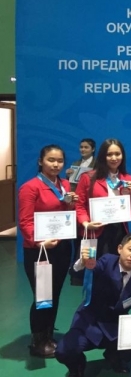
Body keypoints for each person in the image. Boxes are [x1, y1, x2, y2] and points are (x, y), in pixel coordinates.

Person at [55, 234, 131, 377]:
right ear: (120, 249)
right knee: (63, 351)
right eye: (130, 249)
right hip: (89, 322)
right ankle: (78, 366)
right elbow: (84, 271)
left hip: (117, 326)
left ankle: (114, 355)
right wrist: (83, 263)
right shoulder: (107, 261)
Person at [18, 145, 77, 358]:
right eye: (51, 160)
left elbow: (67, 215)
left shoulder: (65, 185)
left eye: (59, 160)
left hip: (61, 247)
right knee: (43, 295)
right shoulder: (30, 187)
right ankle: (38, 341)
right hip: (40, 250)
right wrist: (39, 242)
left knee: (55, 293)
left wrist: (72, 204)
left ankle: (49, 335)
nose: (55, 164)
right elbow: (25, 221)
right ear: (41, 161)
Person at [75, 139, 131, 256]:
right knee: (91, 264)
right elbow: (79, 204)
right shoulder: (88, 177)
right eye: (109, 154)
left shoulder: (128, 179)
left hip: (119, 230)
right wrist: (86, 223)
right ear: (103, 156)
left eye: (117, 154)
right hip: (95, 228)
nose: (114, 158)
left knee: (115, 264)